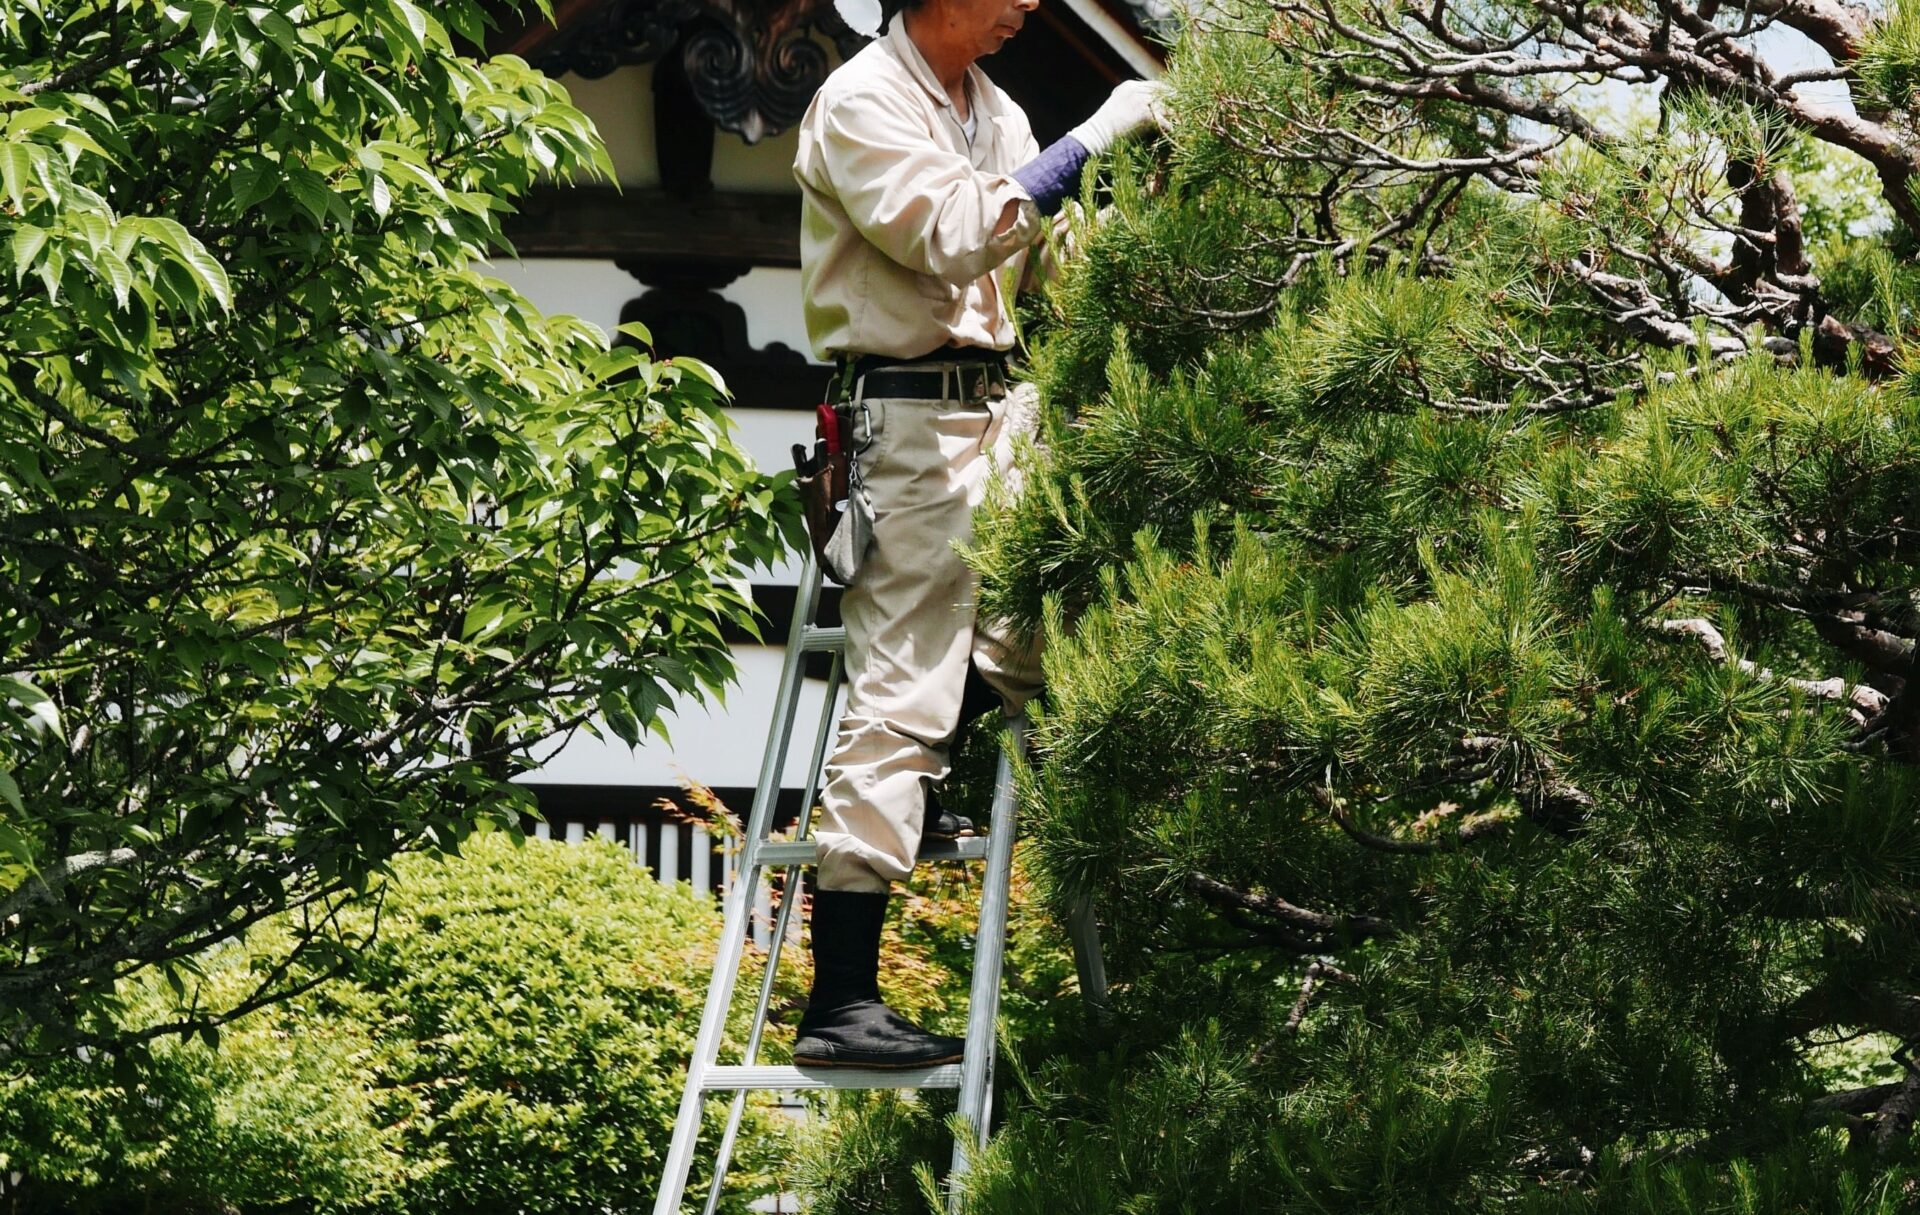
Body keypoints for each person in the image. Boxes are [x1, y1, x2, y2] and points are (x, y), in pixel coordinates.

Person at [789, 0, 1167, 1068]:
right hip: (907, 423)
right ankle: (841, 1005)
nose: (1030, 6)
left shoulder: (993, 109)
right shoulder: (861, 101)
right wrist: (1093, 136)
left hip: (1000, 412)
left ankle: (1108, 962)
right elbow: (956, 239)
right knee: (902, 689)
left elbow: (1039, 269)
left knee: (1046, 652)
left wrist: (1130, 213)